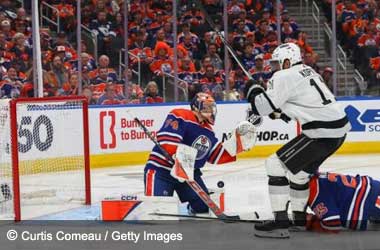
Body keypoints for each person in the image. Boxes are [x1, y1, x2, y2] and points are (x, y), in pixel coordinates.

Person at [244, 43, 351, 238]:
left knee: (274, 164)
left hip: (321, 132)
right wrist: (283, 111)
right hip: (338, 130)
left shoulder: (283, 76)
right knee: (298, 175)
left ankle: (280, 221)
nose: (275, 67)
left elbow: (262, 108)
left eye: (277, 63)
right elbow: (300, 101)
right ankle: (299, 220)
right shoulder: (306, 70)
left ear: (287, 61)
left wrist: (252, 90)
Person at [144, 92, 256, 214]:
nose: (210, 110)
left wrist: (237, 146)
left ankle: (191, 209)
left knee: (203, 207)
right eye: (206, 106)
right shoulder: (180, 115)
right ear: (195, 107)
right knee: (158, 210)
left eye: (211, 107)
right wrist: (180, 158)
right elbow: (167, 141)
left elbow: (215, 155)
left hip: (188, 175)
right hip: (161, 170)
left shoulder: (208, 131)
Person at [306, 172, 380, 232]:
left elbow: (332, 224)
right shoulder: (319, 178)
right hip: (372, 187)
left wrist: (311, 221)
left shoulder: (314, 193)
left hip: (371, 200)